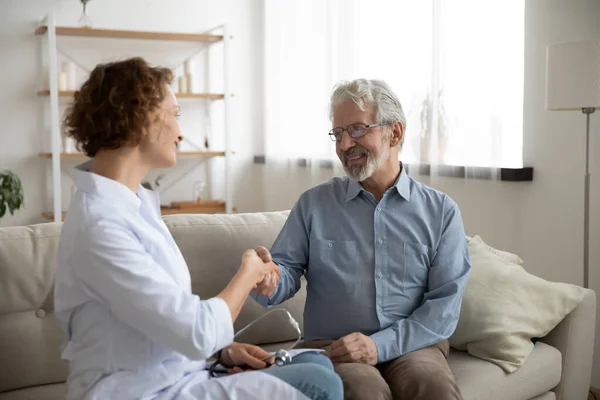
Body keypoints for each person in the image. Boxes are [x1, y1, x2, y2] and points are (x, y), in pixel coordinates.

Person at [54, 57, 343, 400]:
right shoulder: (100, 226)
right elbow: (196, 330)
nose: (181, 131)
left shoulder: (130, 206)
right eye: (174, 114)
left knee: (318, 364)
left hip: (171, 376)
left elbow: (157, 321)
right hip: (134, 391)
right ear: (140, 118)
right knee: (320, 384)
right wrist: (248, 273)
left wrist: (222, 353)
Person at [251, 79, 471, 400]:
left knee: (433, 388)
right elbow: (284, 272)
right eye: (337, 134)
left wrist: (378, 346)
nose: (343, 145)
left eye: (355, 130)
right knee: (361, 389)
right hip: (332, 345)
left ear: (394, 132)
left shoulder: (440, 211)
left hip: (413, 345)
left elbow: (443, 308)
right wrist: (268, 281)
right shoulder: (314, 204)